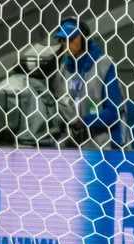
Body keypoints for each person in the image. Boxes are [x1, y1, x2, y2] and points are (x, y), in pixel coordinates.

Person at [52, 17, 126, 150]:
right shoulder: (62, 70)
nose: (66, 45)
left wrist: (83, 122)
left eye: (71, 40)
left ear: (84, 39)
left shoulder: (104, 66)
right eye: (63, 40)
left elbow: (113, 114)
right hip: (69, 148)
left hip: (101, 149)